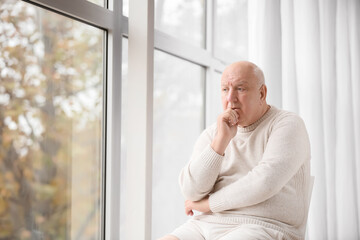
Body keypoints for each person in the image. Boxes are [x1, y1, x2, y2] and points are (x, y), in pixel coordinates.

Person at [158, 61, 311, 240]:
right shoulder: (214, 133)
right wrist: (220, 142)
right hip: (207, 224)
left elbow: (264, 182)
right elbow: (191, 191)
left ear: (262, 93)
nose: (230, 98)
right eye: (225, 89)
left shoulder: (287, 124)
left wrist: (209, 204)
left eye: (240, 88)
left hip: (263, 226)